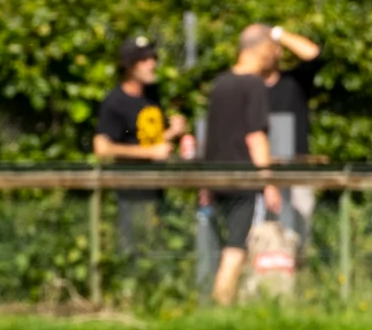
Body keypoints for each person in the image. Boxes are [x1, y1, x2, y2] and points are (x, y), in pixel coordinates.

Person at [202, 25, 282, 305]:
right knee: (236, 247)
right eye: (273, 48)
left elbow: (211, 135)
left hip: (215, 176)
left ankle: (220, 299)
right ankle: (220, 305)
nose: (276, 55)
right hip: (243, 179)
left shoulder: (219, 83)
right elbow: (255, 136)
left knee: (220, 244)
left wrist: (205, 180)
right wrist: (268, 181)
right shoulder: (254, 84)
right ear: (261, 48)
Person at [93, 36, 187, 253]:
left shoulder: (151, 96)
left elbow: (147, 139)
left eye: (153, 58)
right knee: (134, 250)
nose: (152, 64)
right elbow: (102, 147)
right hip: (130, 192)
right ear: (129, 66)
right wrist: (149, 152)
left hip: (157, 189)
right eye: (144, 60)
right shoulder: (115, 102)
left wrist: (171, 132)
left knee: (159, 248)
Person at [262, 24, 324, 244]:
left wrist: (277, 34)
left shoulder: (294, 82)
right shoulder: (248, 87)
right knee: (262, 236)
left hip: (297, 170)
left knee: (298, 236)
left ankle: (299, 274)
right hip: (262, 172)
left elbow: (313, 54)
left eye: (272, 47)